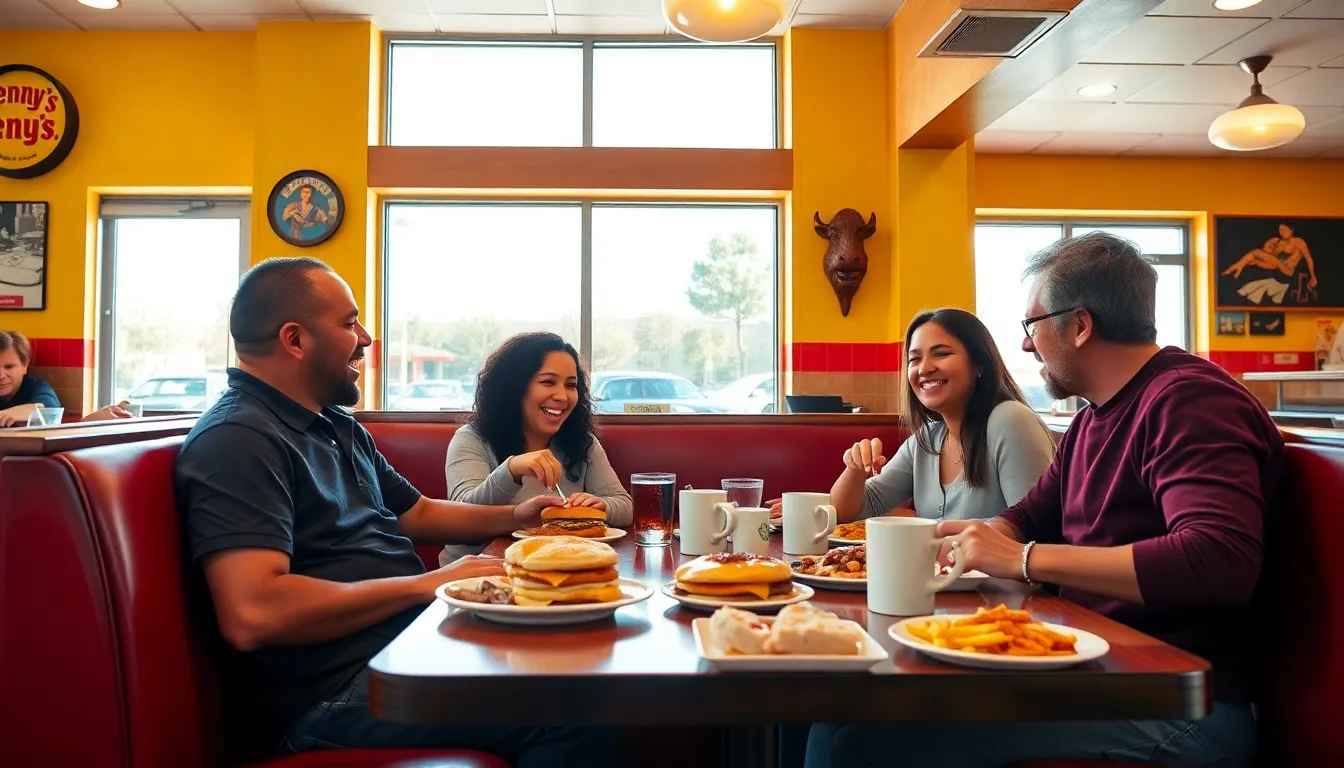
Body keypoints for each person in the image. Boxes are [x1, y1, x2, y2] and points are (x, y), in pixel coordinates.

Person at [811, 232, 1279, 768]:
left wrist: (1023, 557)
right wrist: (973, 537)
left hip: (1182, 705)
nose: (1027, 345)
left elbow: (1219, 560)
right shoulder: (1091, 419)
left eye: (1032, 326)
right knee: (837, 711)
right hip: (1095, 668)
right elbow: (1029, 514)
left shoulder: (1190, 400)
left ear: (1079, 326)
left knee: (860, 744)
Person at [173, 257, 613, 767]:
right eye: (348, 323)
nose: (365, 338)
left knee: (577, 658)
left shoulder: (334, 424)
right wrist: (434, 582)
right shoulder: (239, 439)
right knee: (578, 707)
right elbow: (254, 612)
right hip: (333, 692)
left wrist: (518, 518)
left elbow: (419, 513)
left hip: (403, 642)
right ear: (294, 340)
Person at [766, 309, 1055, 524]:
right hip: (938, 591)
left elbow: (1034, 529)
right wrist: (854, 469)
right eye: (914, 359)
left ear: (979, 363)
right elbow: (852, 510)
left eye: (941, 354)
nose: (924, 368)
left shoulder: (1010, 421)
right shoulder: (928, 439)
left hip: (999, 598)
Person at [440, 331, 632, 566]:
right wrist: (511, 469)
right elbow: (461, 518)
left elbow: (623, 505)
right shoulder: (471, 439)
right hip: (479, 575)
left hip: (558, 569)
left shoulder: (582, 443)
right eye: (548, 382)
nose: (562, 396)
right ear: (514, 388)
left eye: (571, 385)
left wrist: (601, 506)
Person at [0, 330, 132, 427]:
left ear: (25, 366)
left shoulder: (37, 387)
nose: (1, 376)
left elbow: (46, 411)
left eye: (9, 367)